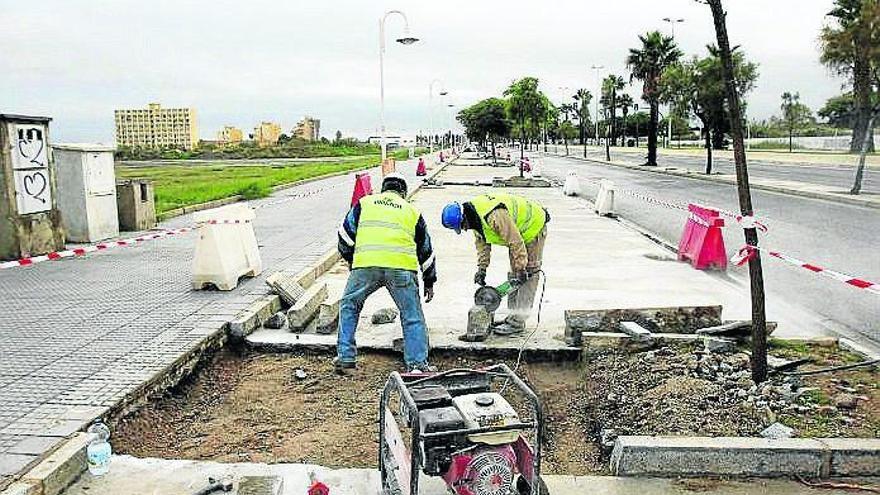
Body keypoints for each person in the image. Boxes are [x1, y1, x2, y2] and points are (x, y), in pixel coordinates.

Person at [336, 173, 437, 373]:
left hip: (366, 266)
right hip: (401, 269)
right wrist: (429, 280)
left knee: (349, 306)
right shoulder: (411, 211)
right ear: (403, 193)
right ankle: (417, 365)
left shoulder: (364, 204)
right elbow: (426, 249)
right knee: (411, 315)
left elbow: (344, 236)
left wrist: (351, 261)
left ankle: (346, 358)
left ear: (383, 189)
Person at [440, 192, 548, 335]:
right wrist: (481, 269)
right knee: (515, 275)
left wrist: (521, 269)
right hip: (519, 235)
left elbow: (515, 241)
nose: (465, 229)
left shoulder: (494, 216)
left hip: (533, 228)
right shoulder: (475, 219)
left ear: (464, 218)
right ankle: (512, 316)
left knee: (527, 274)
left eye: (463, 226)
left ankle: (517, 322)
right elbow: (482, 244)